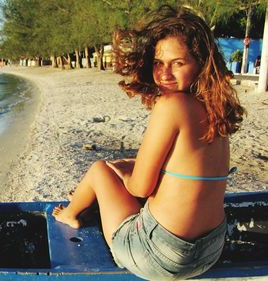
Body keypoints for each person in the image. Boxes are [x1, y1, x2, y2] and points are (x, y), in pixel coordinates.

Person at [52, 5, 244, 280]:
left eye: (177, 63)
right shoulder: (215, 109)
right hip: (210, 250)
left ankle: (70, 213)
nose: (164, 73)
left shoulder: (171, 104)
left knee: (100, 170)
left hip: (159, 256)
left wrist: (126, 174)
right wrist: (136, 165)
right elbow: (186, 167)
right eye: (158, 62)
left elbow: (141, 186)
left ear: (201, 63)